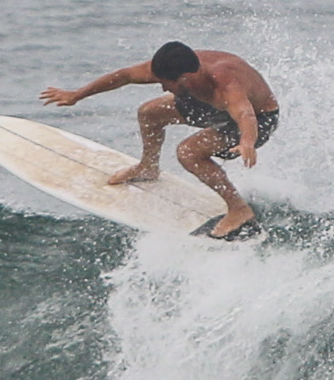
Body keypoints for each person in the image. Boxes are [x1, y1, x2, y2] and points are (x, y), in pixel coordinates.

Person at [40, 42, 279, 240]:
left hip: (258, 119)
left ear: (185, 78)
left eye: (166, 83)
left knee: (189, 152)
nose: (162, 86)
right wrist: (76, 95)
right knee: (150, 112)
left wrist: (247, 142)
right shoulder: (178, 70)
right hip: (207, 104)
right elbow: (123, 76)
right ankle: (148, 167)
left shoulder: (226, 84)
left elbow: (244, 114)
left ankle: (239, 210)